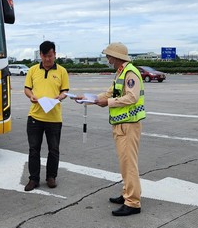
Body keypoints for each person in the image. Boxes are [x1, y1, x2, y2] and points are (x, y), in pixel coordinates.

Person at [78, 42, 145, 216]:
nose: (107, 58)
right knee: (124, 163)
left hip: (129, 125)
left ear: (117, 57)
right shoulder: (121, 73)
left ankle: (133, 203)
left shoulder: (131, 73)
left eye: (109, 55)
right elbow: (109, 93)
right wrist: (88, 98)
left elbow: (132, 97)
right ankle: (127, 194)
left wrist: (106, 102)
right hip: (121, 125)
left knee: (129, 164)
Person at [23, 41, 70, 191]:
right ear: (40, 55)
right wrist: (31, 96)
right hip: (35, 117)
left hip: (54, 118)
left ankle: (51, 177)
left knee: (54, 149)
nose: (47, 59)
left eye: (50, 56)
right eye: (44, 56)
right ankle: (33, 179)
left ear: (55, 54)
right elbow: (27, 89)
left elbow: (65, 91)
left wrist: (60, 97)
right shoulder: (32, 70)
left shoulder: (62, 71)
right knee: (34, 149)